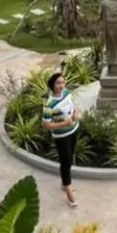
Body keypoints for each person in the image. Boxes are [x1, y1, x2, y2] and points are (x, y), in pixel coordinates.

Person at [42, 70, 79, 207]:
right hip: (61, 136)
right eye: (58, 83)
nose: (61, 85)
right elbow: (46, 125)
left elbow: (72, 106)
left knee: (70, 158)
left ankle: (64, 183)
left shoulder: (67, 93)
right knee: (65, 160)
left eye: (63, 82)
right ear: (52, 84)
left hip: (74, 130)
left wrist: (76, 113)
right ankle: (68, 188)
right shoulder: (49, 104)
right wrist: (64, 124)